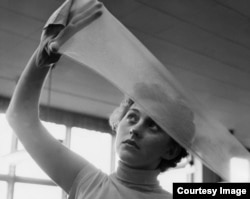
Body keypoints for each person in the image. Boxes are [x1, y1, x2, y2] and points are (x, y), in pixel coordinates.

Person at [6, 1, 189, 199]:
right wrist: (42, 57)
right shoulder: (88, 182)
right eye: (132, 118)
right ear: (118, 123)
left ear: (171, 150)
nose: (135, 129)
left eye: (153, 126)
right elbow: (20, 118)